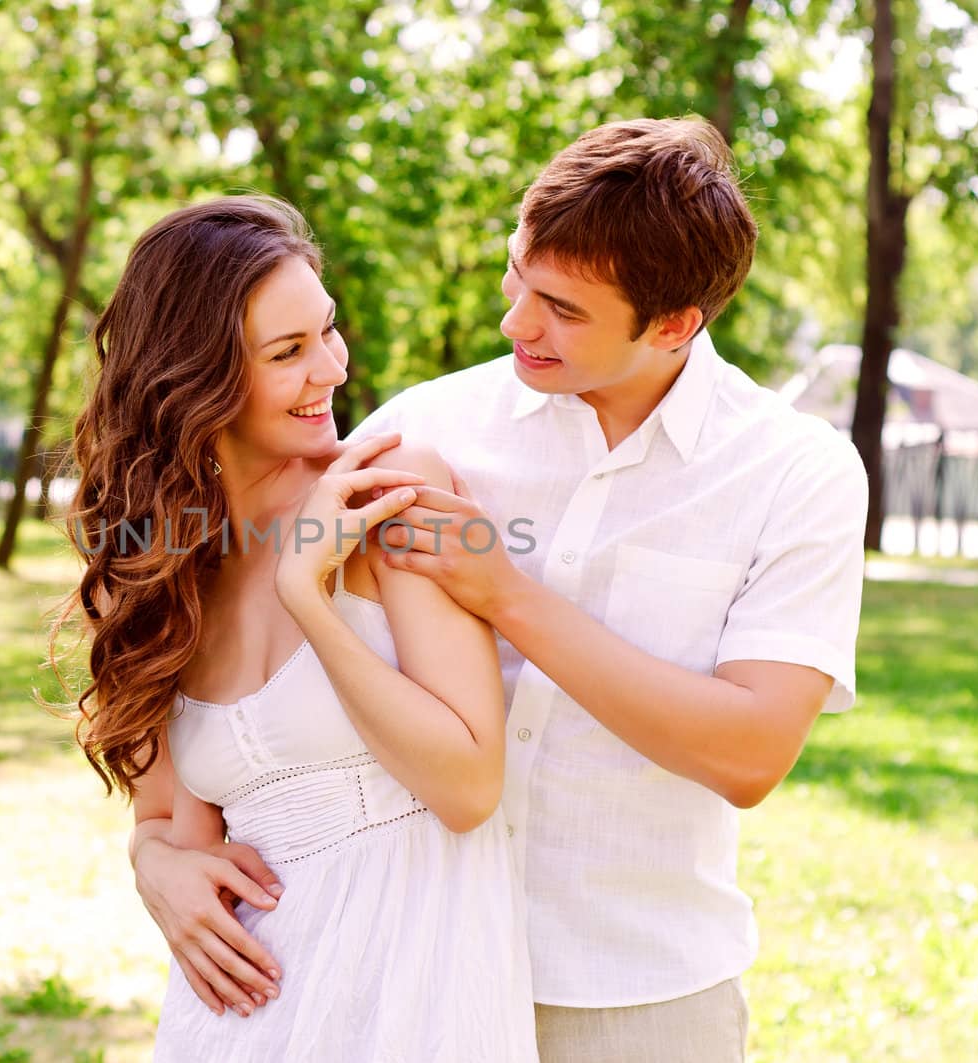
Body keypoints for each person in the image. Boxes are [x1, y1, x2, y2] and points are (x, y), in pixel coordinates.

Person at [136, 118, 870, 1062]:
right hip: (394, 972)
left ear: (676, 324)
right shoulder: (425, 429)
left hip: (630, 988)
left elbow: (752, 751)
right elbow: (246, 692)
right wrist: (156, 852)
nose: (516, 321)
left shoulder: (791, 471)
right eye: (518, 273)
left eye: (563, 308)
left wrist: (509, 595)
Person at [58, 196, 537, 1061]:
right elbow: (171, 823)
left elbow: (468, 785)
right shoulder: (164, 565)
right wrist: (153, 866)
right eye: (288, 352)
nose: (332, 371)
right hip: (244, 1014)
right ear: (194, 379)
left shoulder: (390, 494)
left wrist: (308, 594)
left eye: (327, 331)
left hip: (407, 1006)